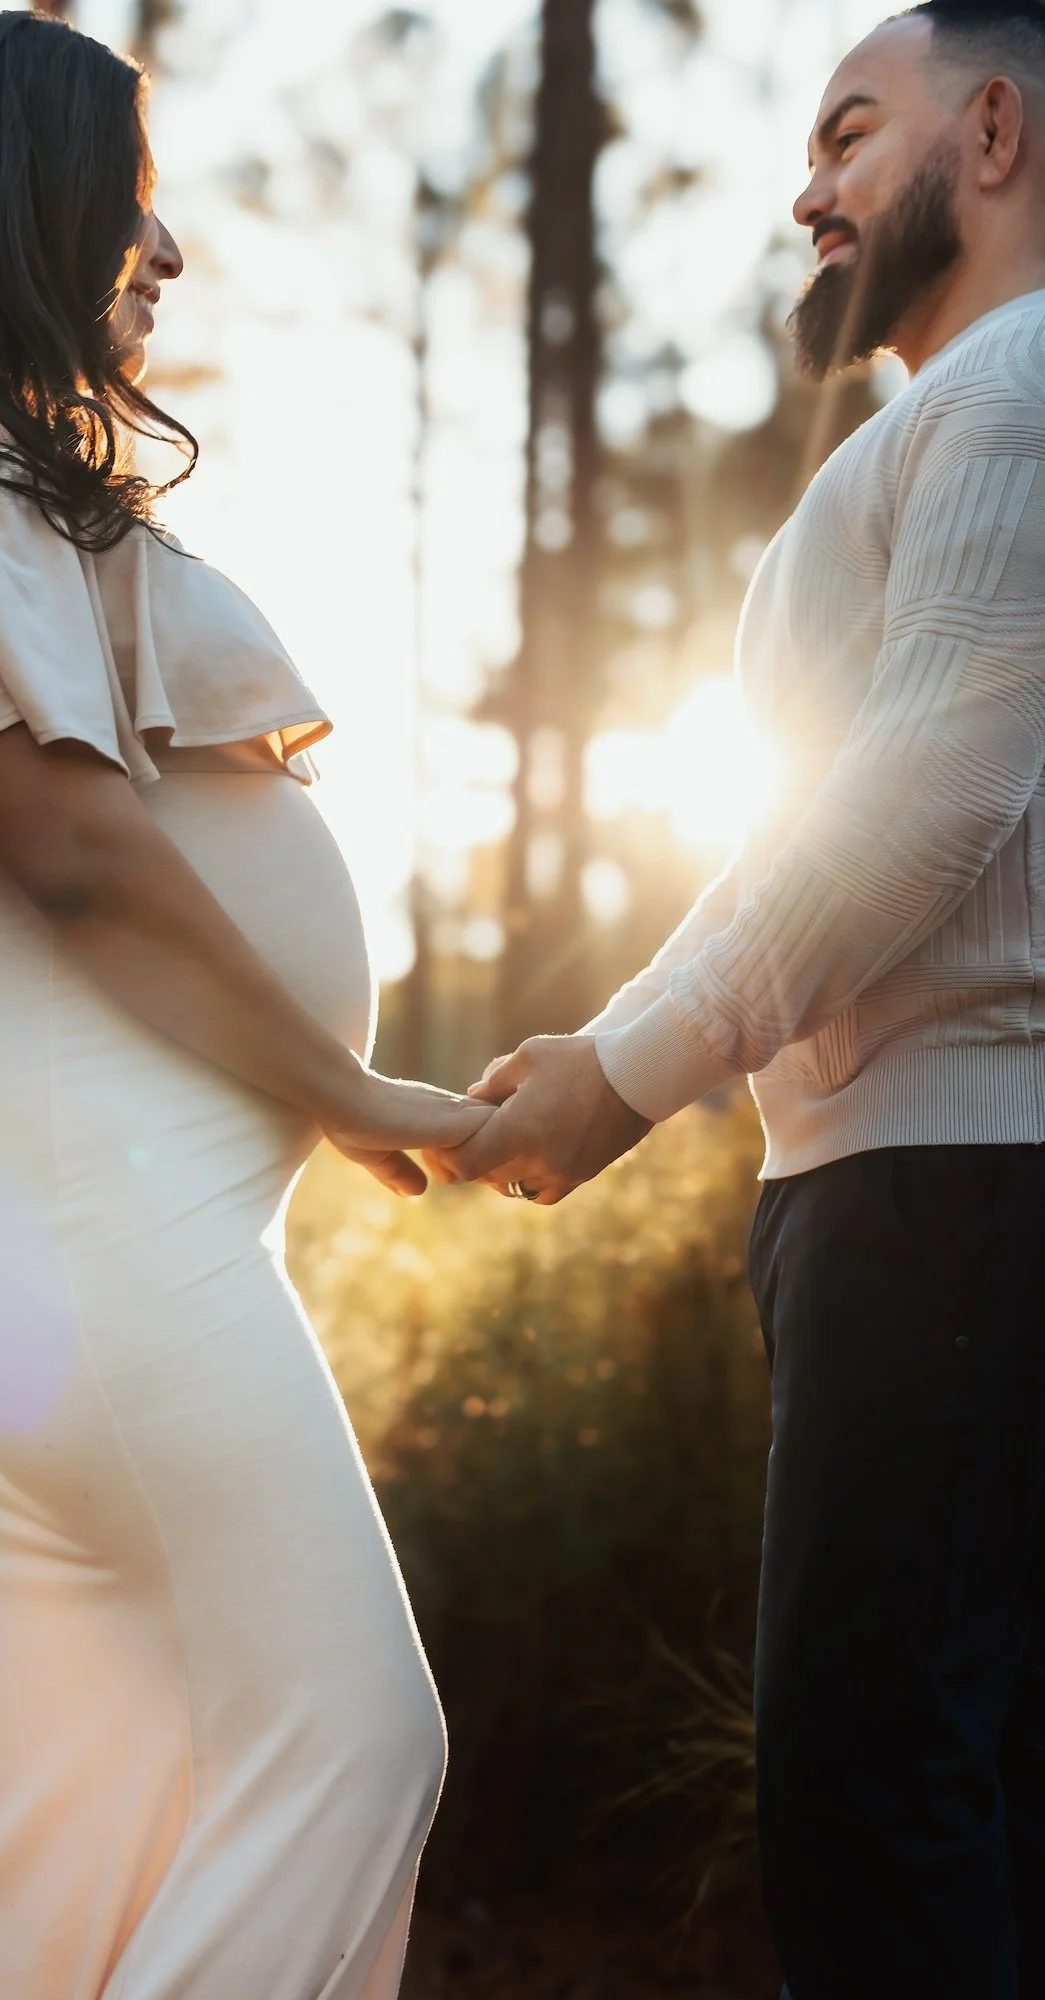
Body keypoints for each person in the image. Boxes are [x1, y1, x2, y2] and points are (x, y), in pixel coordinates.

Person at [0, 14, 491, 1997]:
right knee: (355, 1734)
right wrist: (345, 1082)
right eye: (131, 205)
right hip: (83, 1196)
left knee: (59, 1803)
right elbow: (73, 853)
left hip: (70, 1197)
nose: (166, 252)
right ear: (19, 202)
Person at [433, 3, 1045, 1995]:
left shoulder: (1023, 384)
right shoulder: (940, 421)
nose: (810, 186)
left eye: (855, 130)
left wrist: (622, 1080)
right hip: (899, 1199)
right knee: (942, 1810)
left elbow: (913, 815)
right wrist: (625, 1035)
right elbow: (806, 825)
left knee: (876, 1823)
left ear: (999, 132)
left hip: (956, 1203)